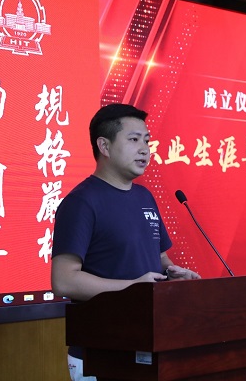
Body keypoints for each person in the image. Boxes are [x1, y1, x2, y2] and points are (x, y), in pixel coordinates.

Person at [51, 103, 200, 381]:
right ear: (104, 146)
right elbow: (64, 281)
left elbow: (159, 258)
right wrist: (132, 288)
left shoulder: (145, 197)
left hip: (148, 346)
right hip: (102, 352)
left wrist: (172, 273)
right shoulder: (81, 203)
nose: (144, 149)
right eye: (133, 140)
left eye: (147, 141)